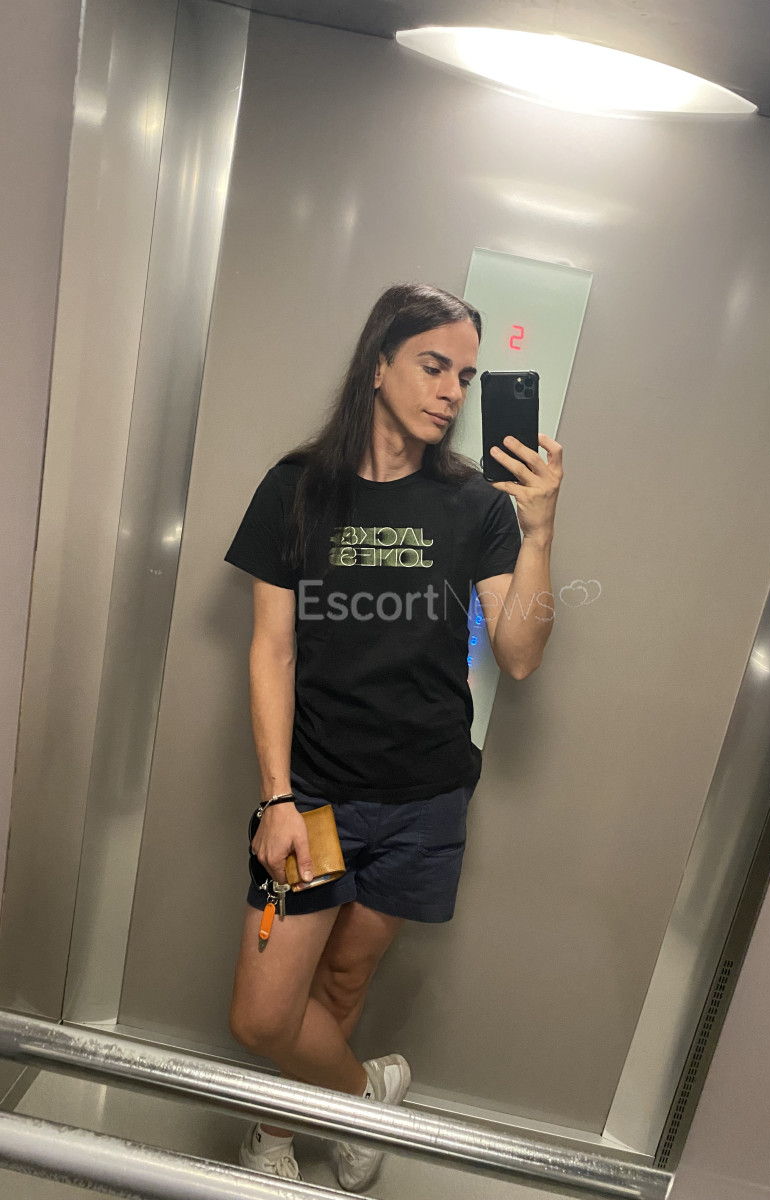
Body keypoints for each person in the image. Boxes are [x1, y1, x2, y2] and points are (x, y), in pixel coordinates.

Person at [224, 282, 562, 1189]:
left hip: (425, 798)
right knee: (263, 1013)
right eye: (433, 365)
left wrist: (537, 533)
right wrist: (277, 796)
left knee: (342, 982)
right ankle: (364, 1098)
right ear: (378, 365)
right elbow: (271, 652)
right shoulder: (297, 489)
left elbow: (520, 654)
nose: (451, 392)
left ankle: (276, 1135)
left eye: (467, 376)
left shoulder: (474, 503)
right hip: (316, 793)